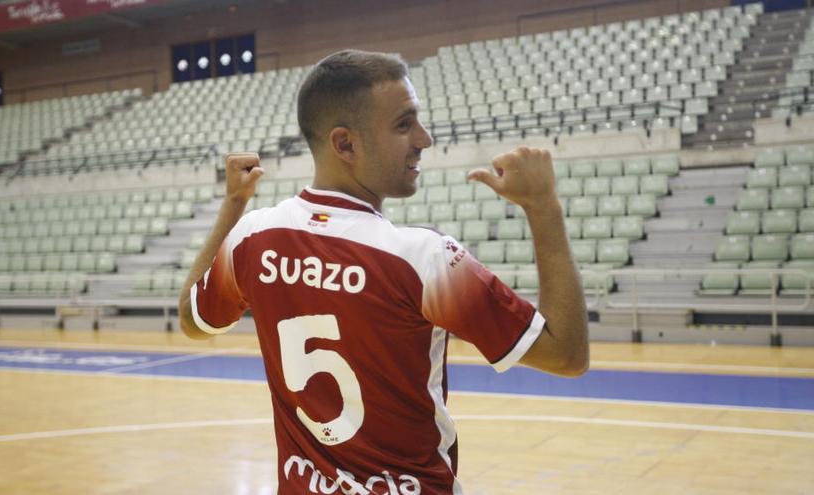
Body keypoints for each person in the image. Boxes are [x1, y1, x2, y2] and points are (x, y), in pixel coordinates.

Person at [179, 49, 588, 494]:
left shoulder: (253, 237)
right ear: (345, 144)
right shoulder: (420, 259)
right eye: (403, 124)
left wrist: (233, 204)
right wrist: (543, 206)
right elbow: (565, 355)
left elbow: (193, 321)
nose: (424, 139)